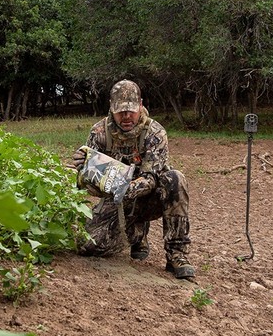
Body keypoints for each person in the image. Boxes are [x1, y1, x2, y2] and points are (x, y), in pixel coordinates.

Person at [72, 79, 195, 279]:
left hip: (151, 198)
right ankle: (137, 233)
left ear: (140, 105)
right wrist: (83, 167)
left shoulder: (154, 132)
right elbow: (92, 186)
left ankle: (177, 254)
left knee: (175, 179)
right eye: (121, 111)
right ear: (111, 109)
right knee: (87, 246)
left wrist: (125, 187)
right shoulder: (99, 132)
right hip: (118, 201)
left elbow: (152, 178)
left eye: (131, 110)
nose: (127, 116)